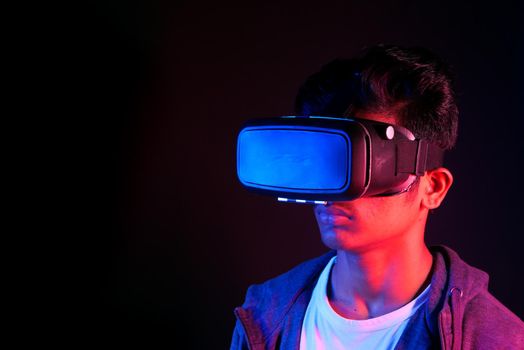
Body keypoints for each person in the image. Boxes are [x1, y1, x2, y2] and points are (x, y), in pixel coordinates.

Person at [230, 44, 524, 349]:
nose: (334, 193)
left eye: (362, 165)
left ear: (433, 188)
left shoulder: (494, 338)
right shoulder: (264, 317)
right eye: (327, 162)